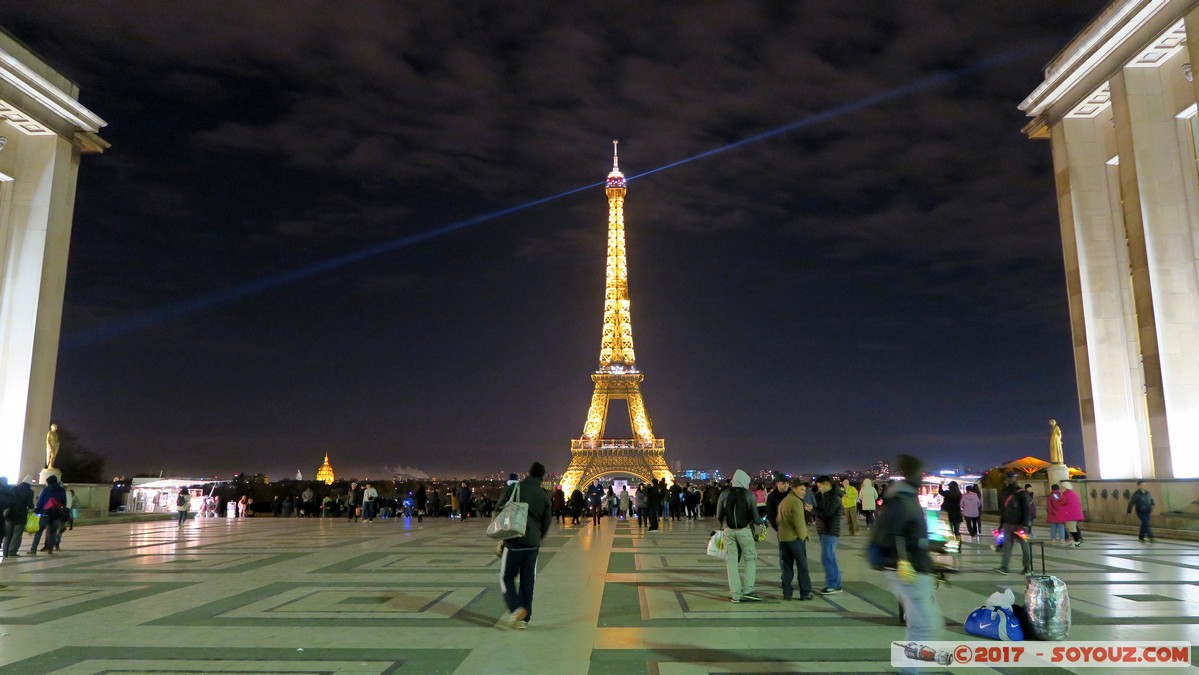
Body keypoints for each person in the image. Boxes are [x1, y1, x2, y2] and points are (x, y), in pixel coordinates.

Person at [873, 455, 942, 675]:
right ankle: (912, 670)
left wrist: (928, 545)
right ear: (910, 474)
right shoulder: (902, 500)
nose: (921, 478)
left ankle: (910, 669)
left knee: (920, 624)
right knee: (926, 624)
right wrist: (923, 545)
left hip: (911, 567)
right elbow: (893, 537)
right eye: (919, 473)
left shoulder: (906, 497)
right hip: (907, 569)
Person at [496, 462, 553, 630]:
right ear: (542, 476)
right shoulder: (543, 494)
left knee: (506, 576)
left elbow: (498, 507)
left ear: (529, 473)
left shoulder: (515, 488)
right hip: (532, 544)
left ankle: (516, 609)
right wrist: (537, 536)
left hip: (514, 540)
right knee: (528, 581)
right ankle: (524, 619)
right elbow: (547, 521)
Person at [716, 469, 763, 602]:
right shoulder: (749, 494)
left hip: (728, 531)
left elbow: (719, 514)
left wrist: (725, 524)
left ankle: (735, 595)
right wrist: (762, 523)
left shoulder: (724, 493)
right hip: (745, 530)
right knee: (750, 559)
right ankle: (748, 590)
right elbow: (755, 516)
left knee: (731, 562)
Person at [776, 476, 813, 601]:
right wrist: (804, 536)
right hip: (794, 539)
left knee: (786, 567)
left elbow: (778, 520)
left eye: (805, 490)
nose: (803, 492)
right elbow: (799, 522)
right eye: (801, 489)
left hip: (783, 538)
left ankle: (787, 593)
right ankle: (805, 592)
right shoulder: (796, 502)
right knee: (802, 566)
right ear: (794, 489)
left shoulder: (784, 501)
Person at [995, 472, 1033, 575]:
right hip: (1016, 524)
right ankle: (1024, 568)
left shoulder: (1013, 492)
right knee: (1022, 546)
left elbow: (1026, 509)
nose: (1007, 481)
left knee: (1014, 546)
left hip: (1014, 524)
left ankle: (1008, 567)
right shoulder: (1019, 492)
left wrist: (1002, 524)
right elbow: (1026, 509)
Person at [812, 475, 844, 594]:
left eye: (820, 486)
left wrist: (812, 510)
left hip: (830, 531)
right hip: (824, 531)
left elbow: (827, 514)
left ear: (827, 485)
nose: (819, 489)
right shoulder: (824, 496)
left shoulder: (835, 498)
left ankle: (834, 585)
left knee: (828, 558)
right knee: (829, 558)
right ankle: (835, 584)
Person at [29, 475, 67, 554]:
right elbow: (64, 502)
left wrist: (37, 511)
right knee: (53, 531)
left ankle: (33, 549)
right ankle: (50, 549)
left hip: (45, 512)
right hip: (56, 513)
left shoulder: (46, 489)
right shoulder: (62, 490)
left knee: (39, 531)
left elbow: (40, 502)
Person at [2, 477, 34, 558]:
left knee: (8, 534)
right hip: (21, 515)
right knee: (17, 534)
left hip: (10, 514)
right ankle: (12, 552)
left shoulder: (13, 488)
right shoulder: (30, 491)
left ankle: (5, 552)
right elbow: (30, 504)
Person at [1059, 481, 1084, 547]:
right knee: (1074, 528)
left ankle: (1077, 541)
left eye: (1061, 488)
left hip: (1071, 515)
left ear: (1064, 487)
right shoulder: (1072, 494)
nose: (1060, 489)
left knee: (1072, 529)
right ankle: (1077, 540)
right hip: (1074, 515)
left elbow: (1061, 503)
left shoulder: (1066, 495)